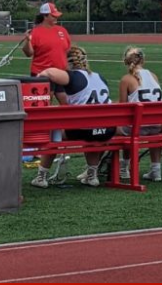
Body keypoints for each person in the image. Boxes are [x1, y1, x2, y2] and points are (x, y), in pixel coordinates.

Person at [31, 46, 115, 188]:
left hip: (84, 130)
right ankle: (92, 176)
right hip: (106, 130)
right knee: (93, 132)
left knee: (54, 135)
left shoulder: (74, 76)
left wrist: (41, 74)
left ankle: (41, 177)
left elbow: (51, 73)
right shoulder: (100, 77)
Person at [116, 47, 162, 182]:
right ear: (143, 60)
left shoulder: (126, 79)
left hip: (137, 127)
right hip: (155, 125)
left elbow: (122, 109)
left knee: (118, 127)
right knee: (153, 135)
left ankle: (124, 167)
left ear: (126, 61)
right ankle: (156, 170)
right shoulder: (154, 76)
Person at [22, 2, 72, 177]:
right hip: (42, 76)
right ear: (45, 16)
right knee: (44, 110)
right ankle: (38, 145)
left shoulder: (62, 31)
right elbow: (28, 53)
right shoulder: (35, 32)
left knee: (67, 105)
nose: (56, 18)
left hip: (61, 74)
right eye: (53, 15)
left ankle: (60, 140)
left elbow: (67, 48)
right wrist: (27, 41)